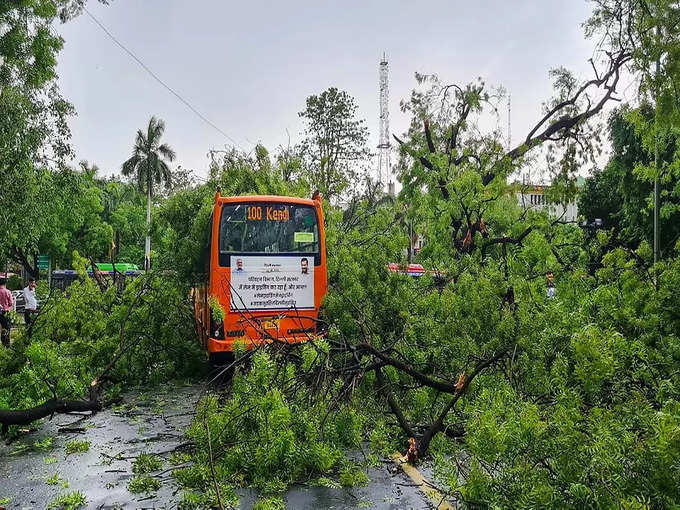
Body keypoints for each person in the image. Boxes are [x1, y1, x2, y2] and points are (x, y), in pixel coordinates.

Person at [0, 278, 13, 347]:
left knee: (1, 328)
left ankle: (2, 342)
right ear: (5, 284)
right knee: (6, 328)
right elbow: (11, 303)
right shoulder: (7, 292)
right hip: (6, 312)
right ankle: (6, 344)